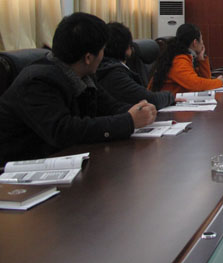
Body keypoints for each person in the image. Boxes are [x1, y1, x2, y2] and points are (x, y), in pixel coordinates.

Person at [0, 12, 157, 165]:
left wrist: (140, 110)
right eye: (102, 50)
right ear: (88, 58)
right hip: (22, 170)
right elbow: (64, 131)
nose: (103, 55)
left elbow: (110, 107)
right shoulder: (37, 82)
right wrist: (128, 121)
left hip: (67, 159)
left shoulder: (84, 75)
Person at [96, 22, 175, 109]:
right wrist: (171, 96)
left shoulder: (104, 68)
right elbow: (151, 100)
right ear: (128, 47)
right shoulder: (113, 74)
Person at [148, 23, 223, 94]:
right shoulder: (179, 60)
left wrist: (201, 59)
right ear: (195, 42)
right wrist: (219, 82)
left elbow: (205, 80)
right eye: (201, 39)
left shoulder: (185, 56)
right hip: (164, 102)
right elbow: (195, 84)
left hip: (176, 99)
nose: (202, 43)